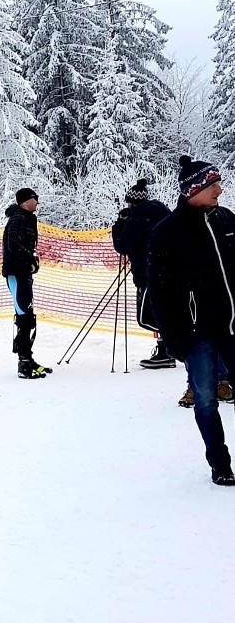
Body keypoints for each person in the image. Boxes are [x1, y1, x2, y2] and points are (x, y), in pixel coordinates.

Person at [148, 155, 235, 486]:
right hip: (196, 334)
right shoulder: (167, 232)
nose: (219, 191)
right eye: (213, 185)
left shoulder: (227, 220)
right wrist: (175, 339)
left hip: (231, 326)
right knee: (206, 400)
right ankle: (220, 463)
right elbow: (160, 292)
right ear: (192, 190)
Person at [111, 178, 173, 369]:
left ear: (132, 202)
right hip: (168, 272)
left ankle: (167, 350)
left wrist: (118, 226)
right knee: (163, 311)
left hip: (146, 273)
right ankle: (168, 349)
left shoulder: (136, 221)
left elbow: (121, 246)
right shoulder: (163, 215)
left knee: (148, 316)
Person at [2, 187, 52, 379]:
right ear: (25, 201)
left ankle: (28, 358)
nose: (38, 202)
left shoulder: (26, 218)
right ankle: (23, 363)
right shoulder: (18, 219)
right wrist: (29, 260)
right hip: (16, 273)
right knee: (24, 316)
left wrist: (32, 260)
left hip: (23, 273)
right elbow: (13, 245)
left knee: (28, 315)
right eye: (35, 199)